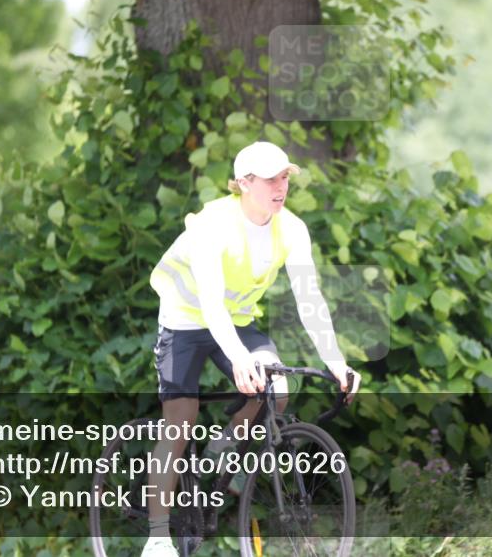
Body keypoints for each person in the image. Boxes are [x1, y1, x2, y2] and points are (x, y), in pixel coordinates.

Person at [141, 141, 361, 557]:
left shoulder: (292, 228)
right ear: (244, 183)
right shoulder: (212, 224)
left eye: (285, 177)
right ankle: (157, 537)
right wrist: (239, 359)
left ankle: (226, 448)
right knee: (180, 421)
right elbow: (209, 300)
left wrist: (336, 361)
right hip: (186, 319)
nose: (281, 186)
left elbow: (309, 298)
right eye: (271, 178)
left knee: (276, 391)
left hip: (237, 321)